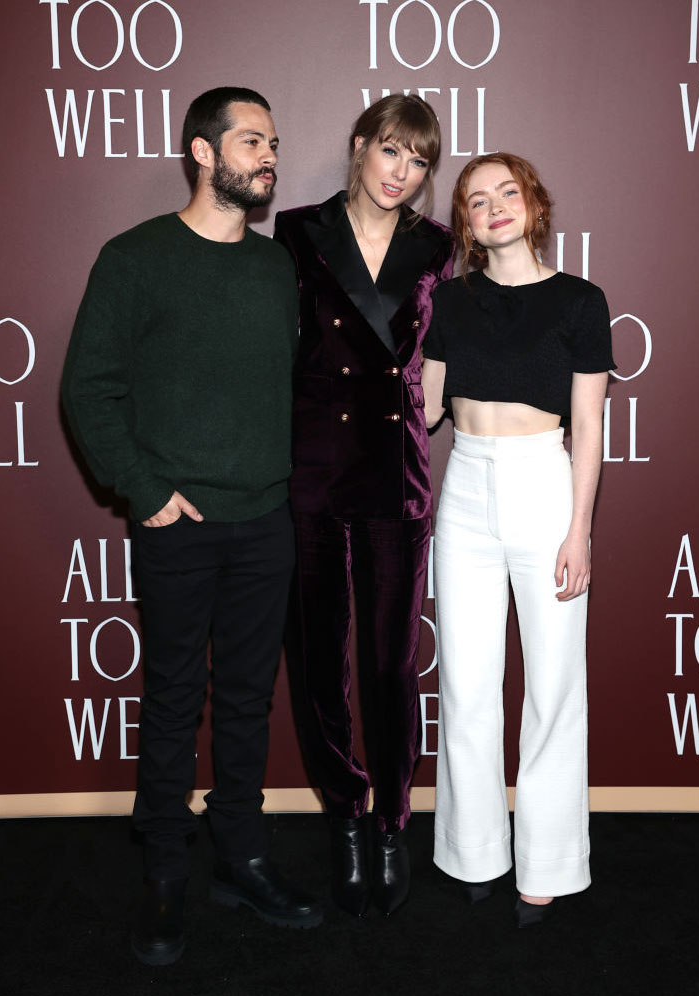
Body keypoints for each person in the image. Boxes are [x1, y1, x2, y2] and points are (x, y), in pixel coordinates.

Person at [61, 86, 322, 966]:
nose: (270, 155)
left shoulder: (275, 266)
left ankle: (239, 855)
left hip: (266, 521)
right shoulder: (134, 258)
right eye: (253, 140)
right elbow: (87, 388)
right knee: (174, 698)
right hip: (177, 523)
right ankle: (166, 871)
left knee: (250, 700)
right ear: (204, 153)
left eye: (275, 141)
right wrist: (146, 489)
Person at [421, 152, 614, 927]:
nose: (493, 207)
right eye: (475, 201)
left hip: (544, 486)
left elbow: (591, 423)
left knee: (553, 687)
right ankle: (472, 852)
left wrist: (580, 528)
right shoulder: (450, 300)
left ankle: (549, 863)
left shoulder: (580, 300)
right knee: (466, 685)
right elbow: (425, 409)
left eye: (507, 192)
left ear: (533, 204)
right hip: (464, 488)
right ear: (465, 225)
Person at [274, 95, 455, 917]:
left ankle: (390, 823)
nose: (402, 173)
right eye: (391, 151)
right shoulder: (298, 231)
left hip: (395, 472)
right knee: (317, 660)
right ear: (358, 147)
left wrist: (428, 412)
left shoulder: (436, 246)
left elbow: (443, 356)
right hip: (311, 467)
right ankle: (345, 816)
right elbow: (277, 350)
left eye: (419, 161)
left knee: (389, 663)